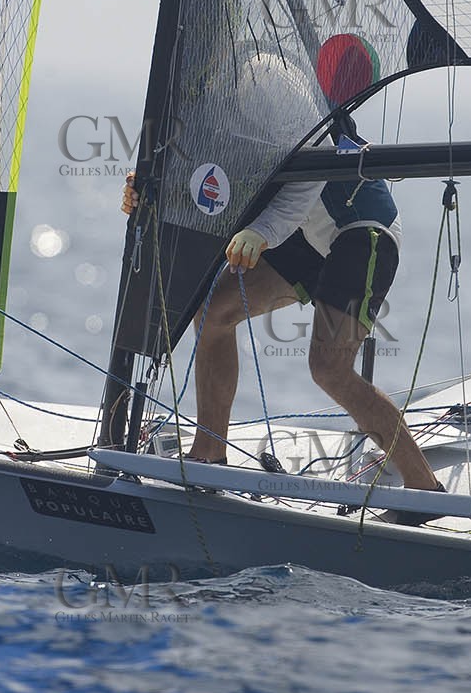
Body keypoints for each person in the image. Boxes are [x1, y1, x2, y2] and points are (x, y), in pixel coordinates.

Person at [123, 168, 446, 525]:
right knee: (214, 309)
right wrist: (156, 189)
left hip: (363, 228)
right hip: (306, 228)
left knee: (329, 369)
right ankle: (208, 453)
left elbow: (305, 177)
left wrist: (261, 232)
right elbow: (210, 170)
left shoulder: (298, 115)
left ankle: (424, 489)